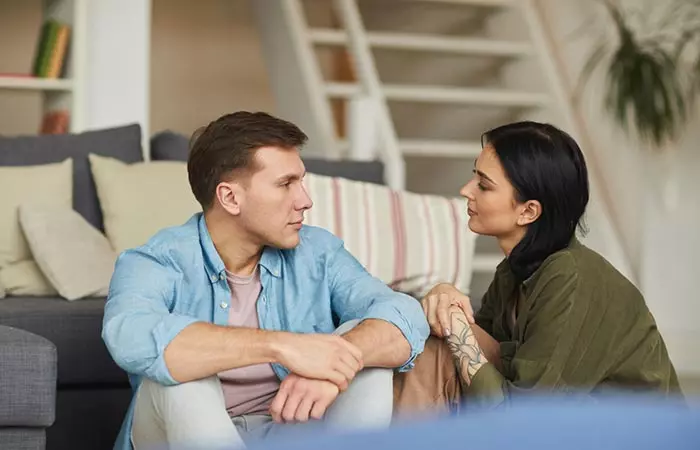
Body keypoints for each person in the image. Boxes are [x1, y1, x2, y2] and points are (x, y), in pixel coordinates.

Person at [102, 111, 429, 450]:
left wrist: (335, 367)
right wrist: (284, 347)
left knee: (363, 353)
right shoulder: (154, 260)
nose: (305, 200)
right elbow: (129, 335)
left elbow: (402, 313)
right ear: (230, 197)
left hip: (291, 431)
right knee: (184, 375)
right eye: (286, 184)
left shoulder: (318, 251)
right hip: (177, 436)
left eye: (300, 182)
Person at [393, 121, 681, 415]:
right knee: (434, 342)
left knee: (440, 344)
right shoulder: (513, 272)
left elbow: (522, 417)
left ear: (528, 211)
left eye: (484, 184)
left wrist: (454, 325)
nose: (466, 190)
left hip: (632, 437)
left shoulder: (570, 277)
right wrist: (444, 296)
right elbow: (481, 355)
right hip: (566, 426)